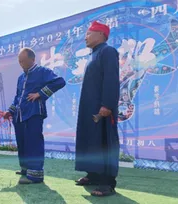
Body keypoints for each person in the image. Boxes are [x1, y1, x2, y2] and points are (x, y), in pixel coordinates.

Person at [2, 47, 66, 184]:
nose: (21, 64)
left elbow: (60, 81)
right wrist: (10, 111)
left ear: (32, 59)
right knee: (22, 142)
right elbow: (17, 97)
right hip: (19, 115)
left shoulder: (42, 71)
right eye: (19, 62)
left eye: (23, 61)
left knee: (33, 142)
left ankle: (35, 175)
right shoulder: (21, 77)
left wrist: (40, 94)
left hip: (34, 113)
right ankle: (25, 169)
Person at [74, 21, 120, 197]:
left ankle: (107, 183)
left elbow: (111, 79)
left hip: (102, 109)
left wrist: (107, 104)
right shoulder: (93, 55)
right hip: (89, 108)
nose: (85, 37)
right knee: (90, 141)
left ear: (101, 34)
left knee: (103, 143)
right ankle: (92, 174)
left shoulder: (107, 51)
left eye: (88, 33)